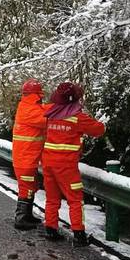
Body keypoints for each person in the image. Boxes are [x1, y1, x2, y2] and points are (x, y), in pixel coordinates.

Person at [41, 82, 105, 247]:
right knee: (75, 200)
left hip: (48, 162)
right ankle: (79, 235)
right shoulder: (78, 117)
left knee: (52, 198)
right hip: (66, 166)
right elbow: (98, 130)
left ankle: (50, 229)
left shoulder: (51, 114)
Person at [11, 78, 48, 229]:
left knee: (30, 185)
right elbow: (47, 119)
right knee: (26, 187)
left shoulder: (27, 106)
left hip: (26, 157)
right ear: (37, 95)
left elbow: (44, 110)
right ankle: (21, 218)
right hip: (25, 159)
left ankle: (27, 215)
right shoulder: (30, 110)